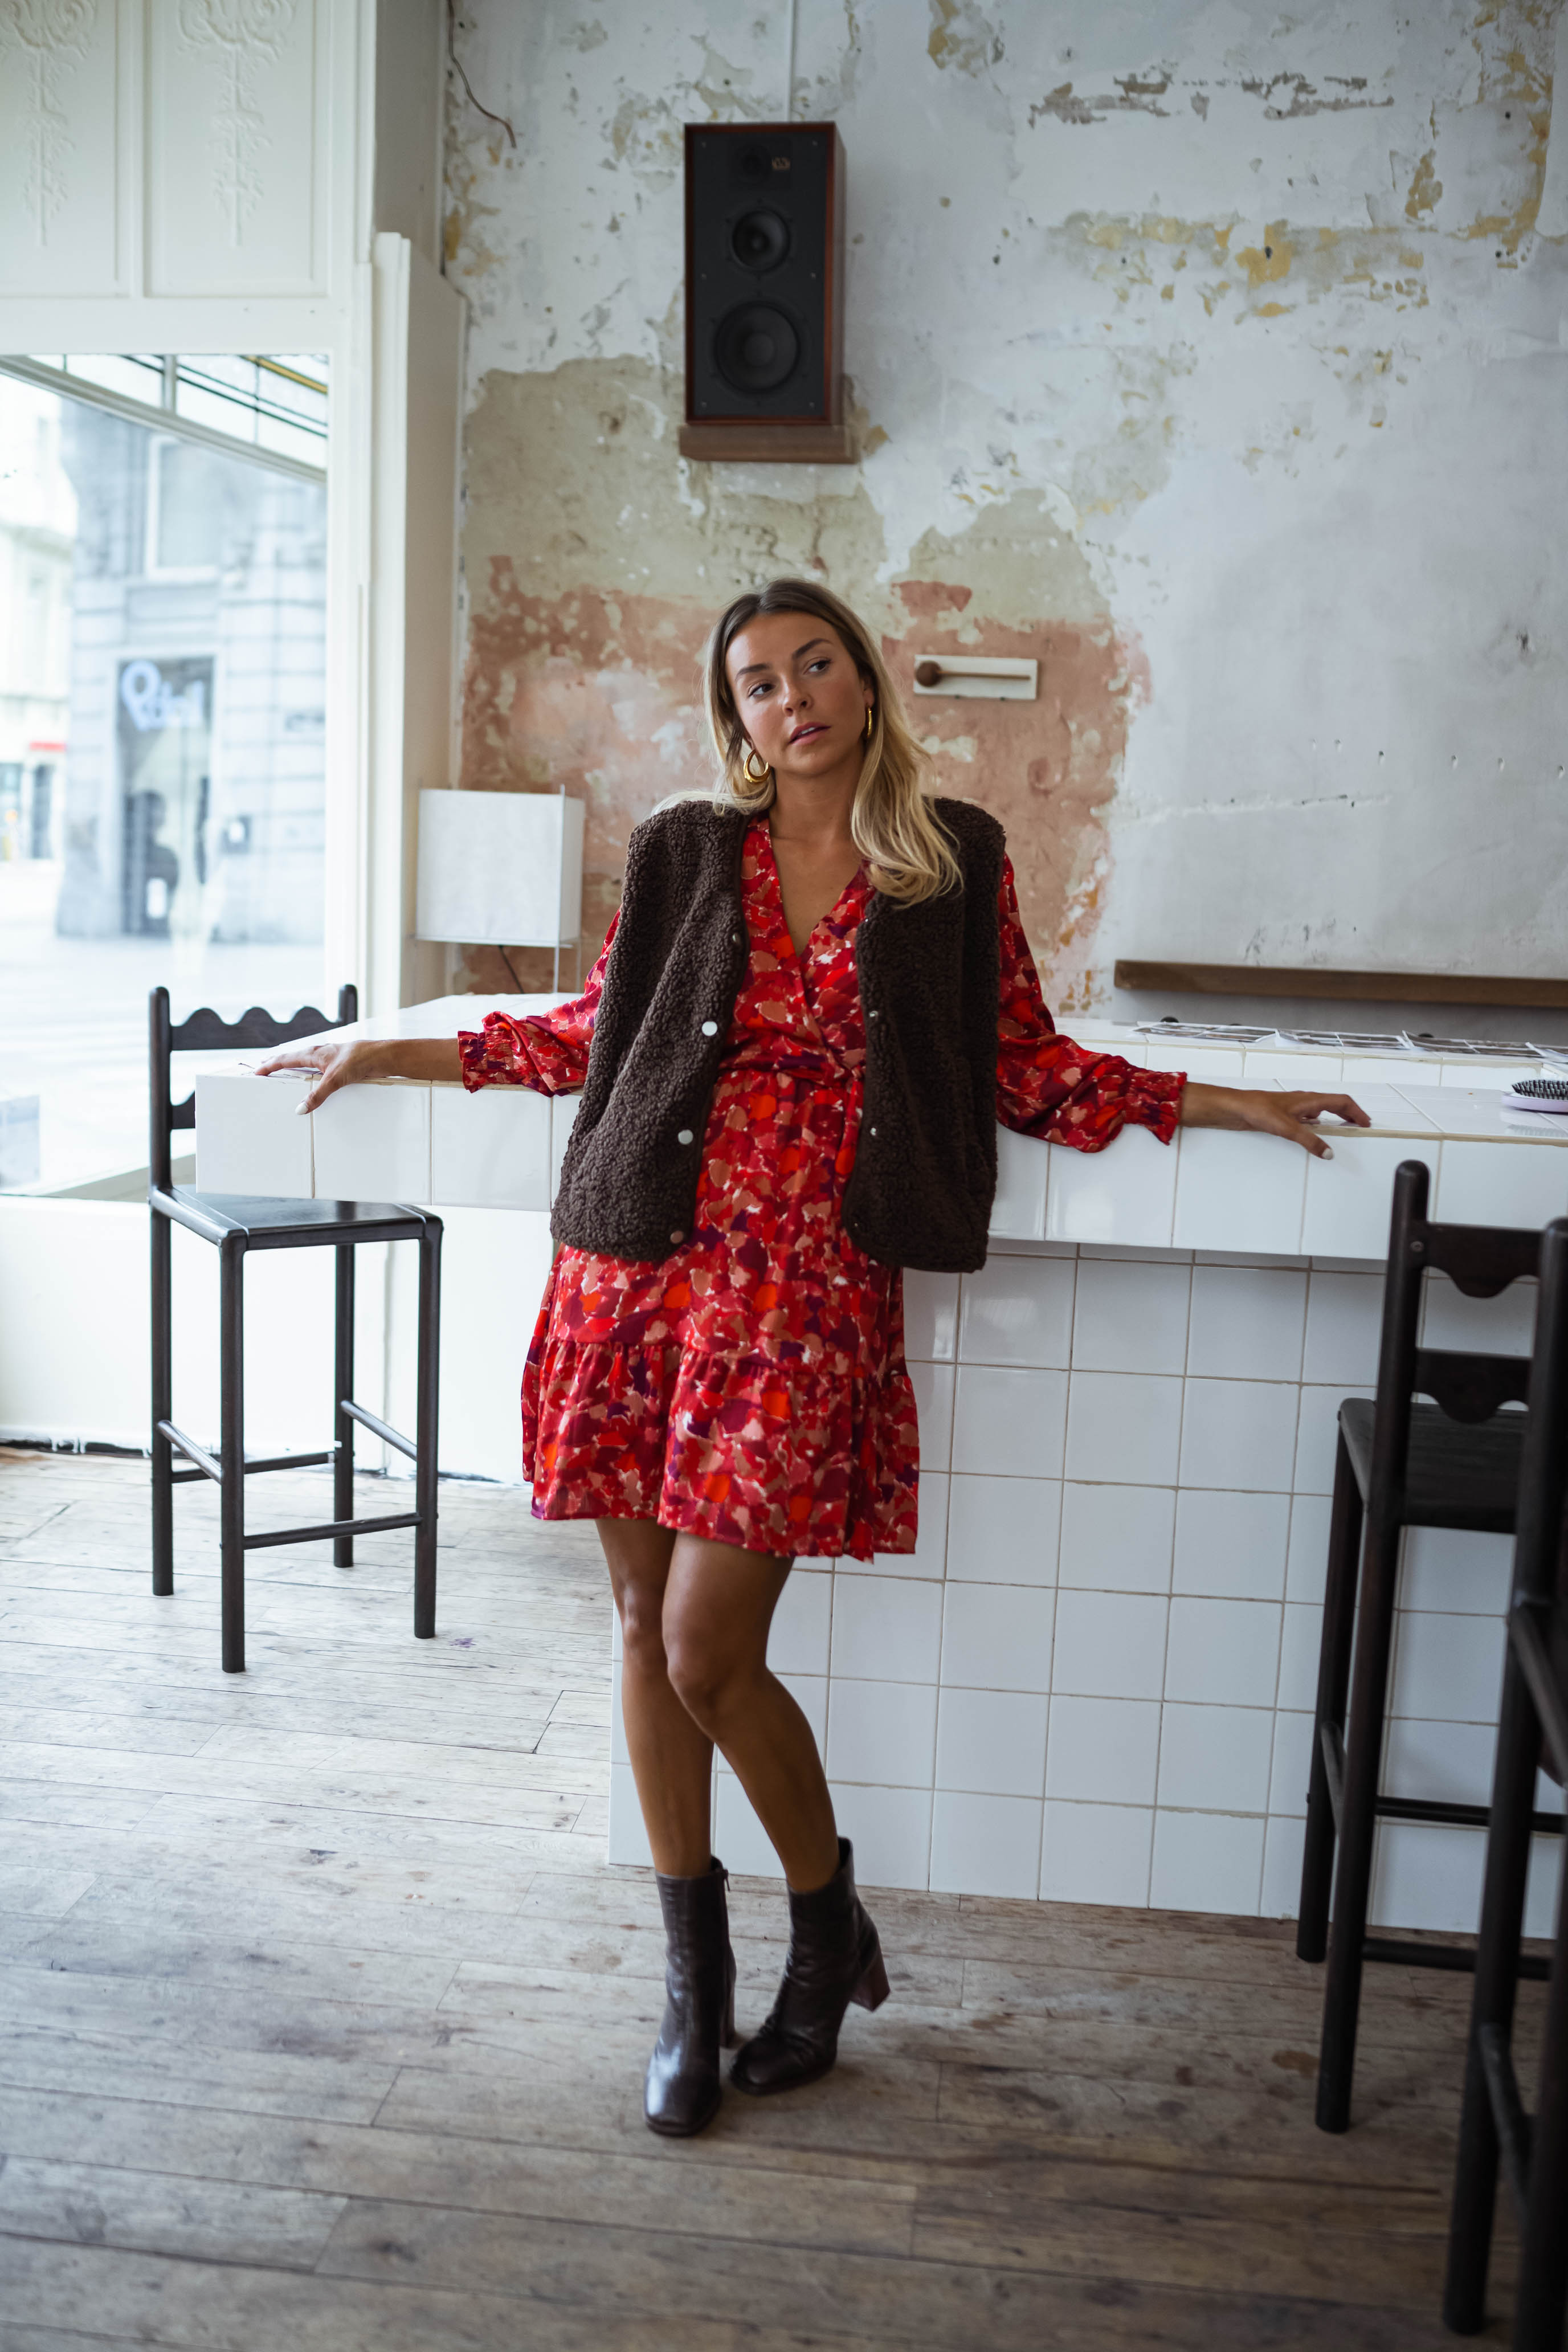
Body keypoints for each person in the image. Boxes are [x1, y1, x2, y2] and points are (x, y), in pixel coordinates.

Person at [259, 578, 1369, 2138]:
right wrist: (397, 1045)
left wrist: (1215, 1101)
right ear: (738, 718)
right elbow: (595, 1031)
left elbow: (1023, 1064)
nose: (795, 699)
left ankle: (826, 1920)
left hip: (802, 1301)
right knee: (641, 1627)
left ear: (863, 681)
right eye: (761, 683)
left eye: (817, 665)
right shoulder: (683, 850)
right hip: (635, 1275)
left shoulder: (950, 859)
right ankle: (690, 1982)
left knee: (708, 1649)